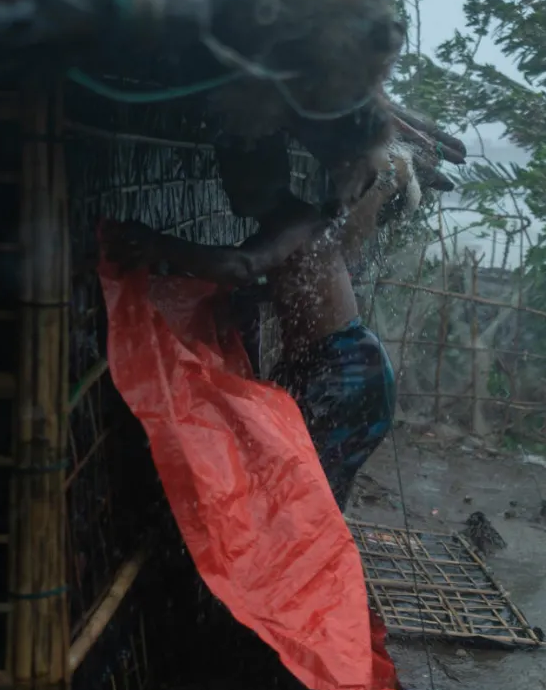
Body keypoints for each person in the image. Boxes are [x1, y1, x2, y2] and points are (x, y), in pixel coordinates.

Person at [101, 132, 408, 511]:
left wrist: (157, 244)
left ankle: (306, 568)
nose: (228, 185)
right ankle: (308, 567)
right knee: (307, 490)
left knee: (299, 487)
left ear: (269, 173)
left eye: (236, 172)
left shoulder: (297, 220)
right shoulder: (283, 230)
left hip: (349, 371)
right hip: (335, 366)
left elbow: (241, 266)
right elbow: (278, 283)